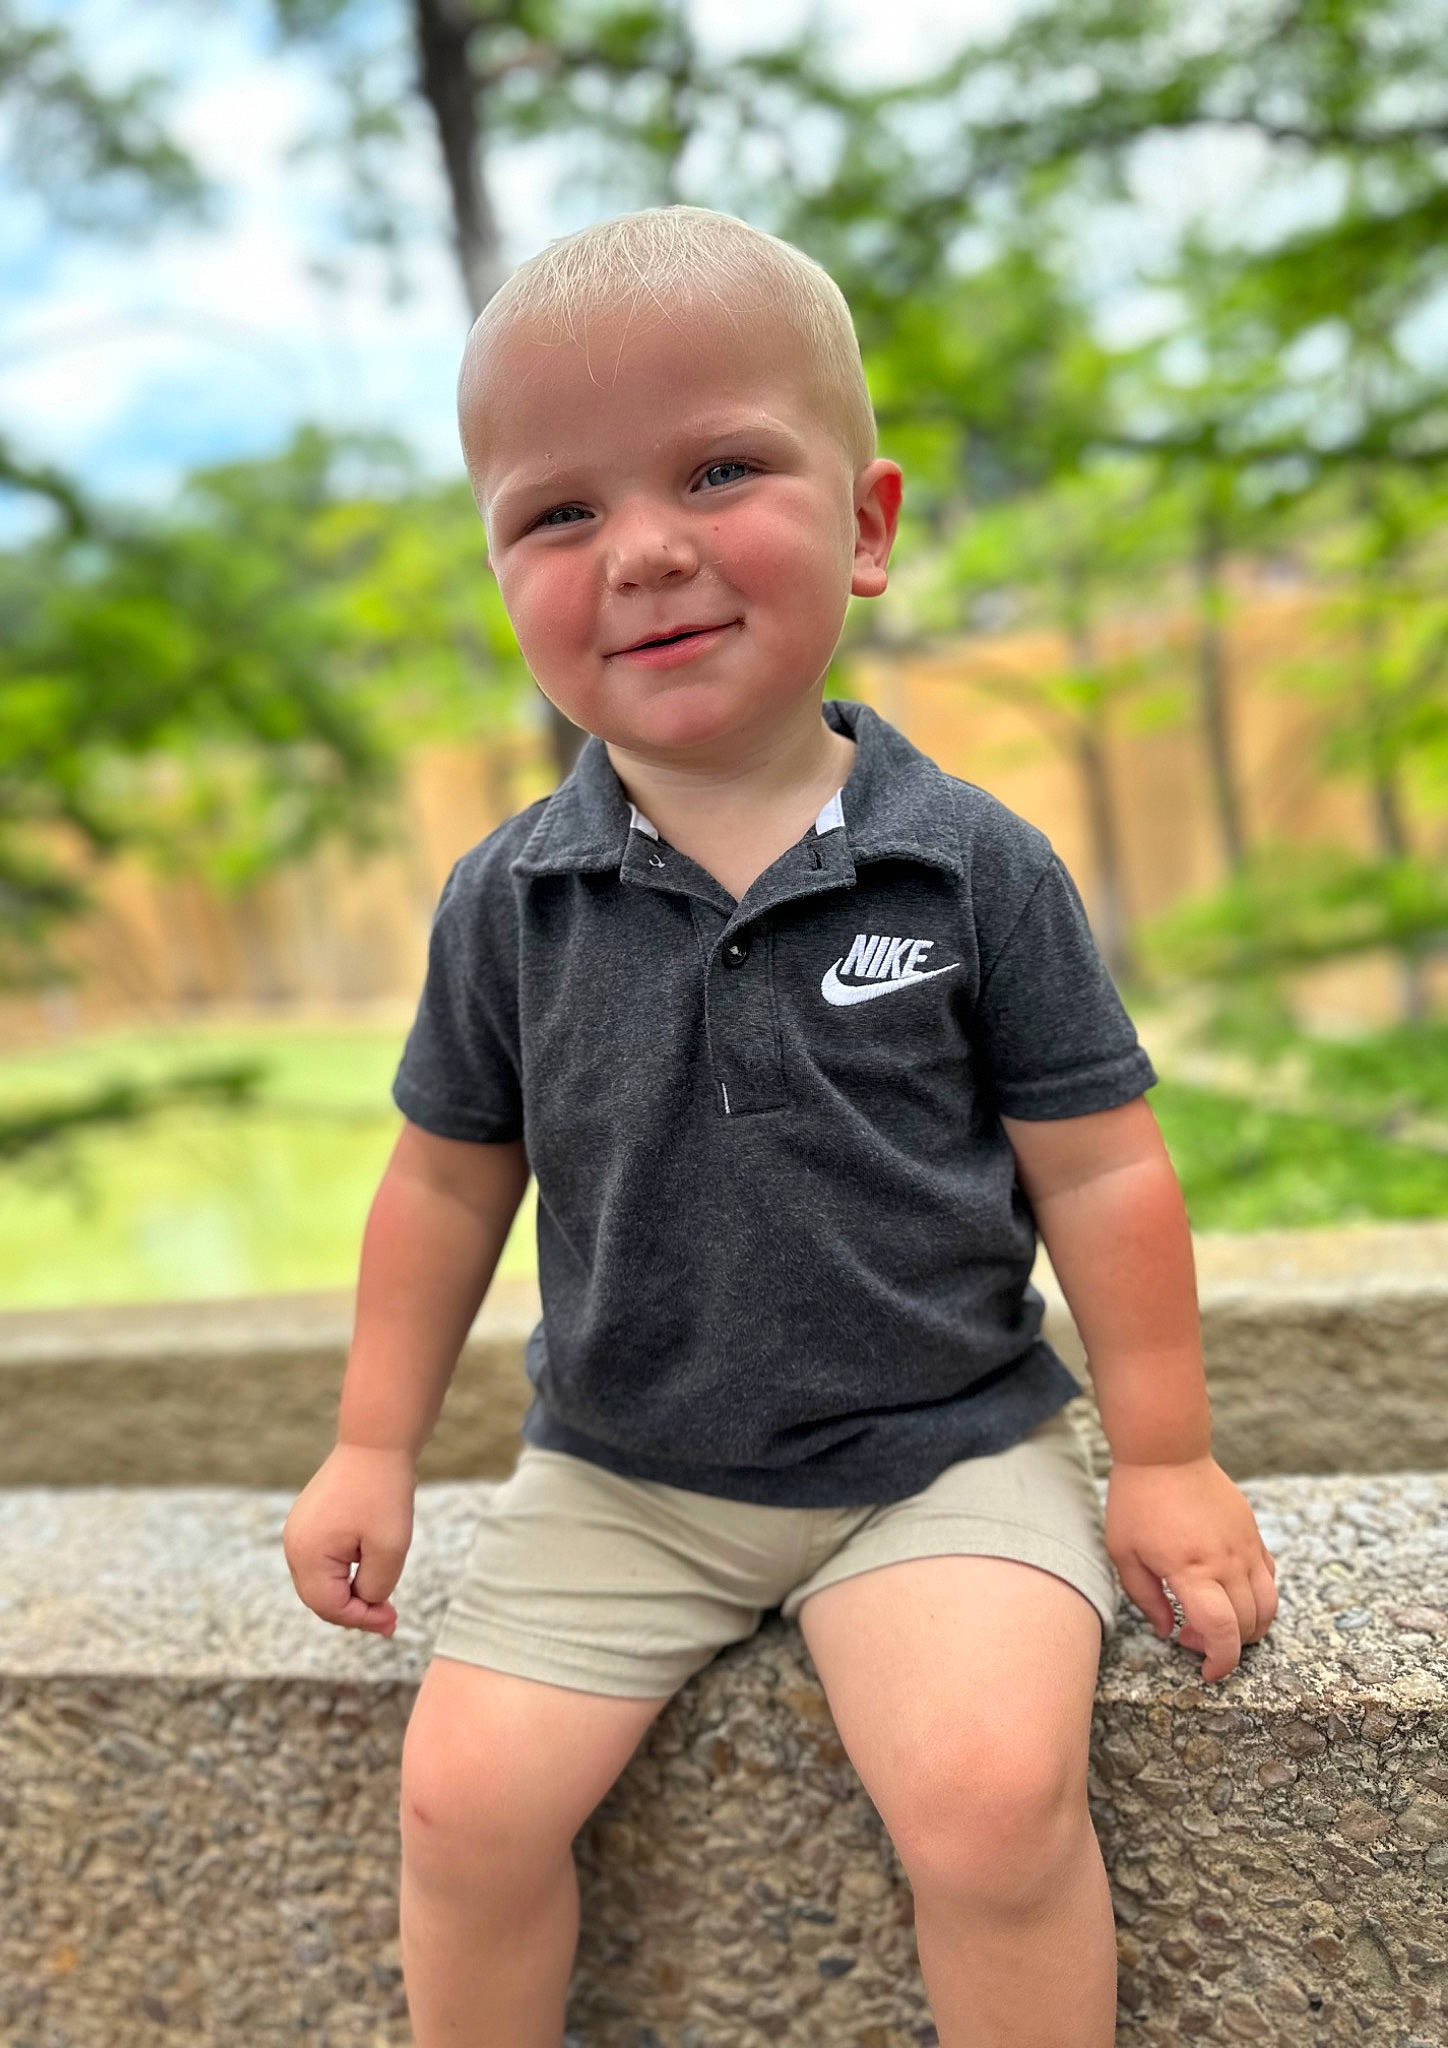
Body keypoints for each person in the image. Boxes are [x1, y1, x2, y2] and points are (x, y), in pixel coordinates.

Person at [282, 204, 1279, 2048]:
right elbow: (440, 1183)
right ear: (500, 576)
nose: (643, 551)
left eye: (719, 469)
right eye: (558, 513)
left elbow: (1105, 1166)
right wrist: (370, 1446)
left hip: (941, 1456)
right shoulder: (511, 900)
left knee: (989, 1804)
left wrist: (1164, 1455)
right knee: (461, 1805)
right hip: (621, 1473)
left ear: (870, 525)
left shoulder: (973, 864)